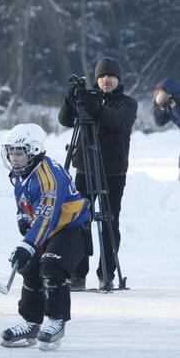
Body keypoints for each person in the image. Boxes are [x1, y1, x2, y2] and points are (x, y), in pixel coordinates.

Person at [0, 124, 91, 351]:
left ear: (34, 151)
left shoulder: (48, 177)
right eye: (10, 151)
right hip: (50, 229)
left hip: (71, 229)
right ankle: (31, 322)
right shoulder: (21, 174)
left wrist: (27, 244)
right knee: (29, 268)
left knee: (51, 267)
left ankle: (56, 320)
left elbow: (46, 219)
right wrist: (22, 218)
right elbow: (25, 203)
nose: (13, 157)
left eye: (19, 152)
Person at [58, 56, 137, 290]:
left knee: (109, 223)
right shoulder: (86, 98)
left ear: (118, 79)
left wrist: (97, 108)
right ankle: (77, 273)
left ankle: (106, 273)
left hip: (113, 171)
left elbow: (119, 121)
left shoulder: (127, 103)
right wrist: (70, 98)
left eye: (110, 76)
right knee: (80, 221)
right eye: (102, 76)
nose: (106, 80)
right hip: (85, 168)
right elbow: (65, 120)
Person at [152, 77, 180, 180]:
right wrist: (157, 107)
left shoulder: (175, 104)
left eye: (161, 93)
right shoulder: (169, 105)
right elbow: (160, 122)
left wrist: (174, 107)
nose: (158, 96)